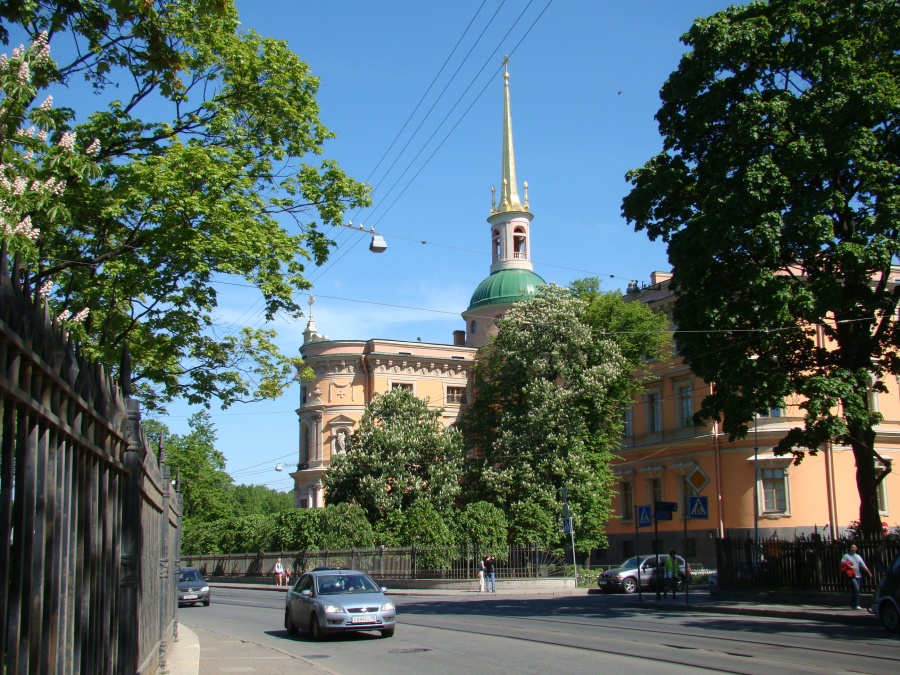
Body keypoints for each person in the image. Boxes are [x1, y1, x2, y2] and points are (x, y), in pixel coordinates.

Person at [840, 544, 872, 610]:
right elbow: (842, 563)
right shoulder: (846, 556)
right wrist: (850, 566)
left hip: (858, 575)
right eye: (851, 547)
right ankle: (857, 604)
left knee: (856, 591)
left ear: (856, 548)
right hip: (851, 575)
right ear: (849, 548)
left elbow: (863, 565)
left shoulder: (858, 556)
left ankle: (853, 604)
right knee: (856, 589)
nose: (852, 548)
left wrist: (868, 572)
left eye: (854, 547)